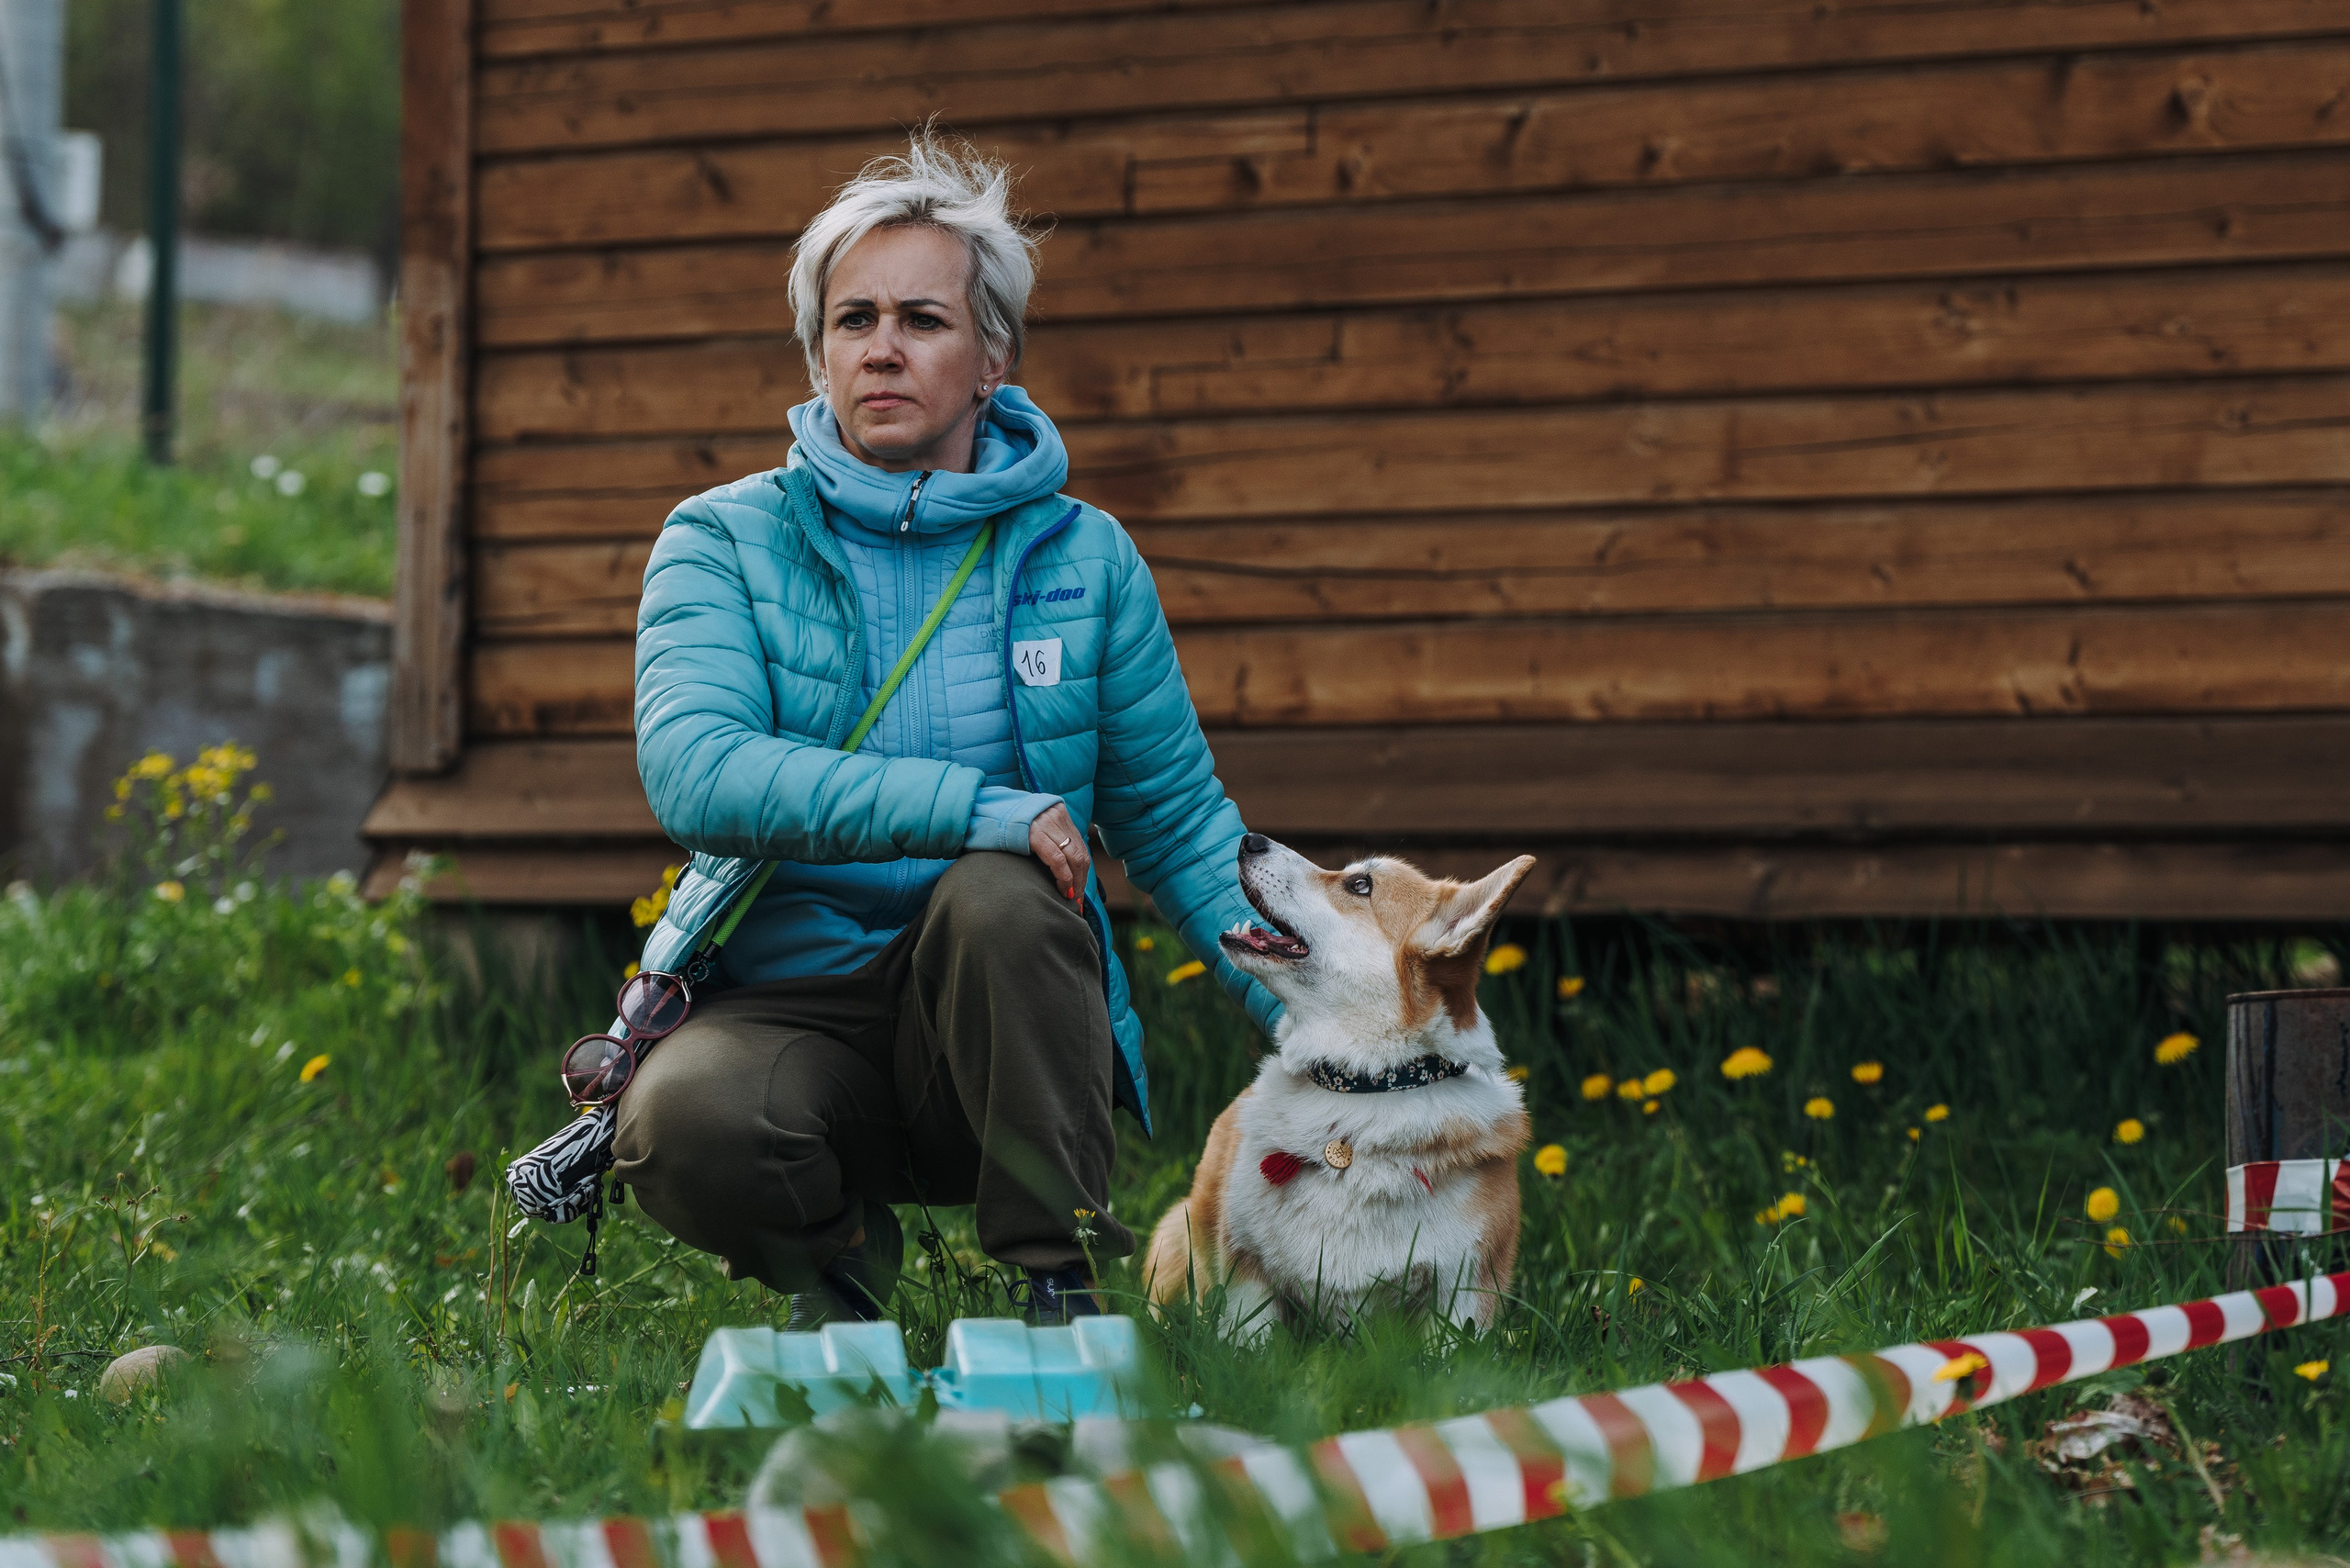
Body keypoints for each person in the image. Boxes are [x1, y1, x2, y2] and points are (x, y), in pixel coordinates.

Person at [610, 136, 1281, 1326]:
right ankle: (839, 1285)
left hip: (996, 1029)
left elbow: (1177, 828)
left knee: (1001, 894)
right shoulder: (720, 538)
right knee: (682, 1122)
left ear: (993, 357)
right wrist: (980, 807)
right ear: (817, 351)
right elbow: (697, 771)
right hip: (785, 1009)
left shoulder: (1085, 558)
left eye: (921, 318)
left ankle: (1057, 1284)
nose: (880, 345)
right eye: (851, 316)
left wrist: (1335, 1024)